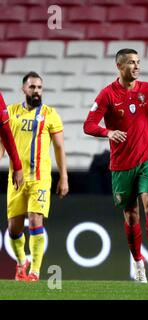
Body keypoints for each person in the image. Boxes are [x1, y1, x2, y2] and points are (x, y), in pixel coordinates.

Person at [83, 48, 148, 283]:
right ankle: (138, 264)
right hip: (121, 165)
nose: (137, 66)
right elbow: (88, 125)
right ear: (119, 66)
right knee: (131, 217)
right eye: (132, 62)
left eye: (138, 62)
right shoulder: (107, 95)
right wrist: (108, 132)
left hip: (146, 161)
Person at [0, 72, 69, 282]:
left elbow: (59, 148)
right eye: (32, 87)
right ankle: (22, 263)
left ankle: (35, 272)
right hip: (16, 179)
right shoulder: (10, 112)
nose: (36, 91)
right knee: (13, 229)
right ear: (23, 89)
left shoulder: (50, 114)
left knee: (35, 219)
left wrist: (63, 177)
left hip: (40, 178)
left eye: (39, 87)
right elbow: (2, 144)